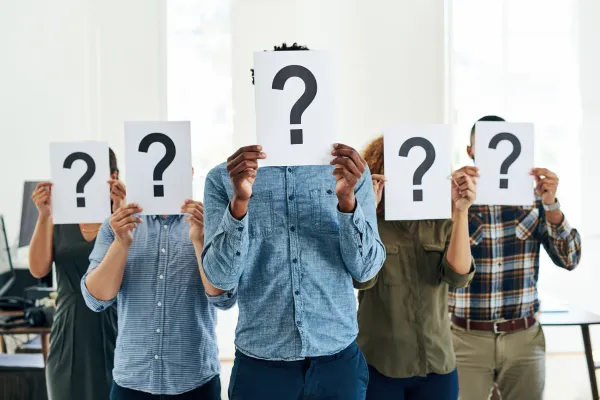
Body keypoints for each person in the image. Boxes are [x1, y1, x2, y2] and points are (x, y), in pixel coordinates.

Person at [202, 43, 386, 400]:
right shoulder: (223, 179)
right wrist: (240, 202)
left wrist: (347, 202)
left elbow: (365, 271)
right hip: (261, 365)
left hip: (337, 361)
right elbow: (220, 278)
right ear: (261, 94)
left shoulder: (352, 172)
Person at [450, 115, 582, 400]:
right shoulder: (454, 199)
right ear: (470, 151)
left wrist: (552, 205)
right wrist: (454, 207)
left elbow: (570, 258)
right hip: (466, 338)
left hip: (523, 336)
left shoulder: (534, 198)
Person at [81, 183, 234, 399]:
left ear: (189, 170)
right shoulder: (116, 225)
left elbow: (225, 299)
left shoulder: (211, 223)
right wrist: (121, 243)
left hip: (196, 382)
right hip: (131, 383)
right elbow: (95, 300)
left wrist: (200, 240)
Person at [354, 136, 476, 400]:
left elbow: (458, 277)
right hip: (380, 364)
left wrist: (461, 211)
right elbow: (362, 279)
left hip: (437, 363)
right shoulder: (369, 222)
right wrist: (367, 210)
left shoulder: (440, 220)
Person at [29, 148, 125, 400]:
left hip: (116, 328)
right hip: (68, 334)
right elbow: (38, 269)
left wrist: (120, 208)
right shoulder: (59, 217)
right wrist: (44, 215)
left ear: (113, 175)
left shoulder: (122, 217)